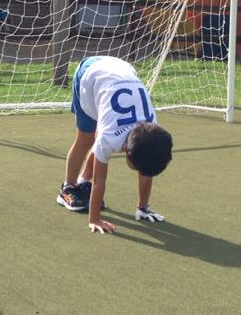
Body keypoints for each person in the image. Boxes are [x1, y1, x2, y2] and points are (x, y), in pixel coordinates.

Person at [57, 55, 173, 234]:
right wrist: (94, 219)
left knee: (101, 141)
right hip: (90, 74)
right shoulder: (110, 137)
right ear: (126, 150)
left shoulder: (152, 131)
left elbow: (146, 172)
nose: (141, 172)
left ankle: (82, 180)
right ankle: (68, 188)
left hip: (121, 70)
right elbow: (100, 181)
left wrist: (143, 207)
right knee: (87, 138)